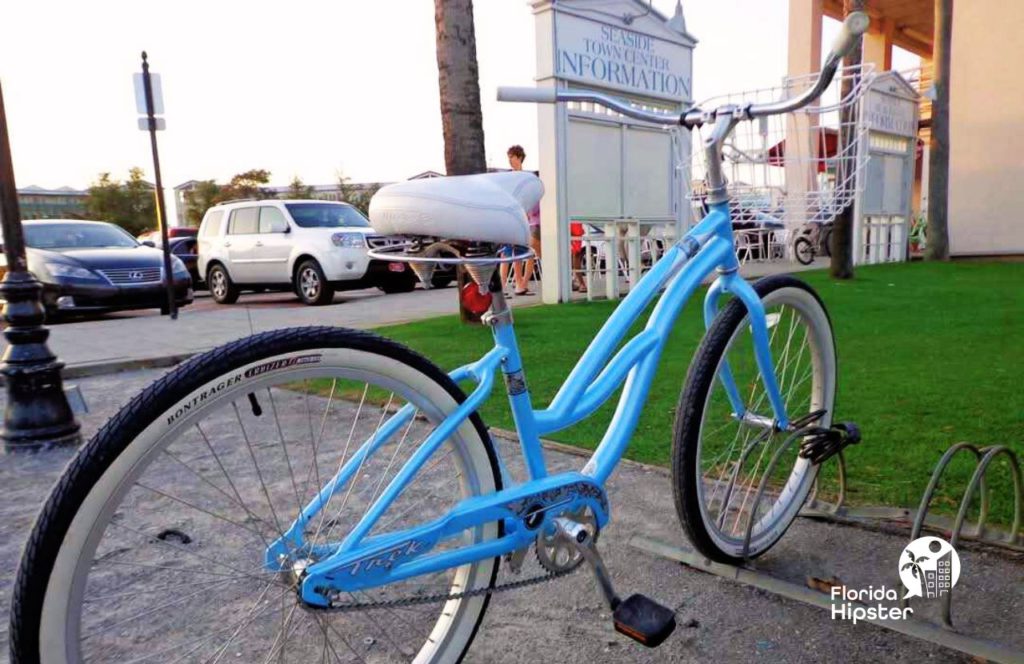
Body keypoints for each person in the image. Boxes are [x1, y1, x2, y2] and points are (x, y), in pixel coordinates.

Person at [502, 145, 540, 296]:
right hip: (513, 219)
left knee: (524, 253)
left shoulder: (527, 177)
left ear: (519, 158)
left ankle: (521, 283)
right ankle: (511, 284)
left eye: (512, 157)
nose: (510, 160)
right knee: (509, 254)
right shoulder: (508, 177)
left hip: (526, 220)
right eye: (509, 157)